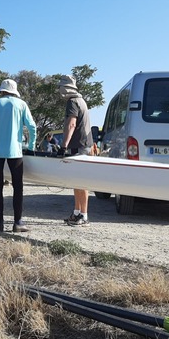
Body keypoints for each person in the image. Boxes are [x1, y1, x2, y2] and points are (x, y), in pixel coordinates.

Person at [0, 79, 37, 232]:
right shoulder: (21, 104)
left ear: (2, 91)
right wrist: (31, 146)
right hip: (14, 150)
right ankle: (17, 222)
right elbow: (32, 126)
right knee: (18, 186)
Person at [58, 75, 93, 227]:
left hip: (80, 145)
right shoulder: (81, 101)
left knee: (81, 181)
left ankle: (84, 216)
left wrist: (63, 146)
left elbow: (71, 124)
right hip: (83, 144)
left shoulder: (72, 102)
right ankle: (77, 212)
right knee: (76, 180)